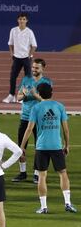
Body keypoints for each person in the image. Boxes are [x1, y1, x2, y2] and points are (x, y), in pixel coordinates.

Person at [20, 83, 77, 214]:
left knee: (42, 176)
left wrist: (22, 146)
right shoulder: (59, 106)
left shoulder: (36, 108)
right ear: (51, 92)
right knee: (63, 173)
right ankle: (67, 203)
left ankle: (44, 207)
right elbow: (66, 130)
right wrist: (67, 145)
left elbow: (29, 129)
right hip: (56, 146)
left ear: (38, 94)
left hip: (41, 146)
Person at [12, 58, 52, 183]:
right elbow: (17, 97)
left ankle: (36, 173)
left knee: (38, 148)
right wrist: (23, 95)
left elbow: (48, 101)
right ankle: (22, 173)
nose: (34, 70)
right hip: (25, 118)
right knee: (21, 147)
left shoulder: (47, 82)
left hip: (40, 119)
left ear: (42, 68)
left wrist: (35, 96)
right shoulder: (26, 80)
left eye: (36, 68)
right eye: (33, 67)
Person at [3, 13, 37, 103]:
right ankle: (11, 95)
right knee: (12, 77)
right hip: (16, 58)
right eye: (20, 19)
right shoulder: (13, 30)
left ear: (26, 21)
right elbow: (10, 43)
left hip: (26, 58)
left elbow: (34, 45)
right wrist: (11, 53)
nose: (22, 21)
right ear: (18, 20)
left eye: (24, 19)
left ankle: (23, 96)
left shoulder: (29, 32)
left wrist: (30, 55)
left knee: (27, 78)